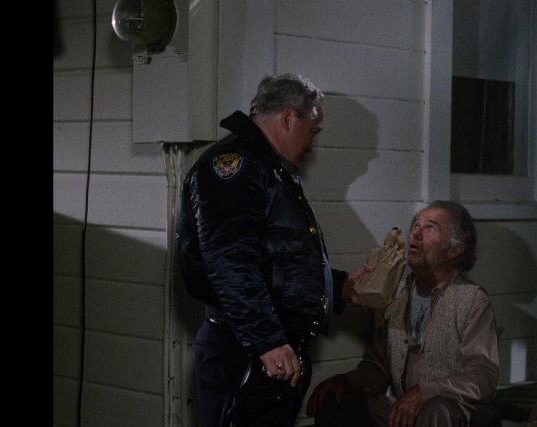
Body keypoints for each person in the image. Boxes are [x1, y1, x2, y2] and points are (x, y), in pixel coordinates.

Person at [178, 73, 369, 427]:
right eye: (313, 130)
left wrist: (338, 287)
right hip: (245, 350)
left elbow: (275, 257)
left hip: (263, 348)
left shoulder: (268, 168)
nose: (312, 144)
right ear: (288, 117)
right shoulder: (236, 167)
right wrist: (267, 341)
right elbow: (231, 263)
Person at [306, 200, 502, 427]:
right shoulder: (394, 294)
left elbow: (483, 377)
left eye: (430, 228)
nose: (416, 234)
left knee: (437, 410)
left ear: (455, 249)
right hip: (404, 408)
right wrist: (346, 382)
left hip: (457, 410)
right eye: (416, 226)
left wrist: (427, 391)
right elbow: (377, 369)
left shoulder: (472, 300)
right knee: (334, 402)